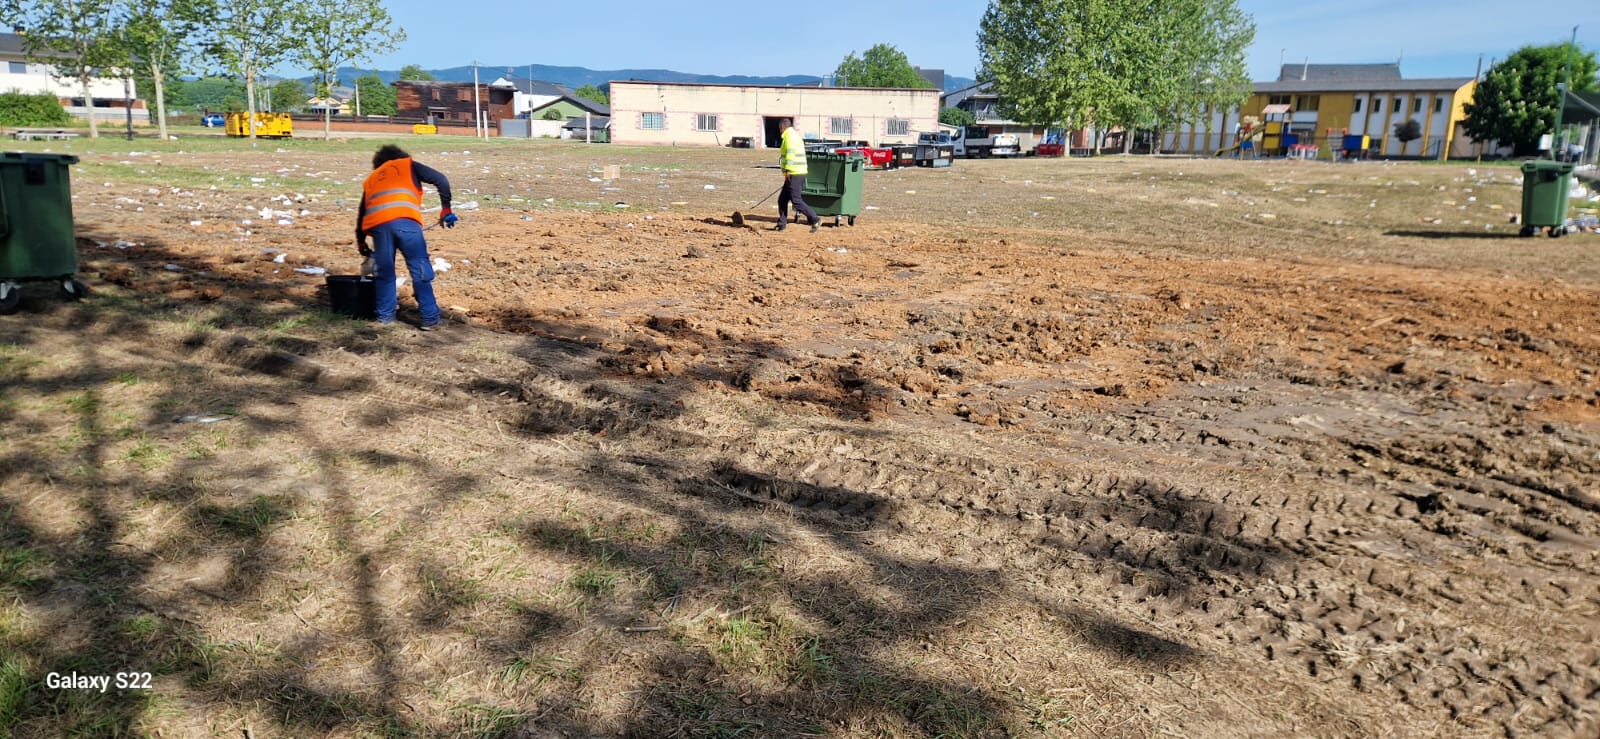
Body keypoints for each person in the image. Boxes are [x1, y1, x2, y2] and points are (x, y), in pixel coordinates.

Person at [356, 144, 457, 330]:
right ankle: (429, 319)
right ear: (400, 156)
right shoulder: (407, 165)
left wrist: (360, 241)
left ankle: (385, 319)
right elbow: (441, 180)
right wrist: (446, 209)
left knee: (384, 274)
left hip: (379, 227)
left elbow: (362, 211)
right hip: (406, 223)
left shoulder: (372, 178)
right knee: (420, 269)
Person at [775, 118, 819, 233]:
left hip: (794, 172)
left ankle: (815, 219)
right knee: (782, 199)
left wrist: (788, 170)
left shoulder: (789, 137)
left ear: (782, 127)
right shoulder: (794, 136)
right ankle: (781, 224)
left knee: (796, 200)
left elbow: (790, 155)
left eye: (780, 129)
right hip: (796, 171)